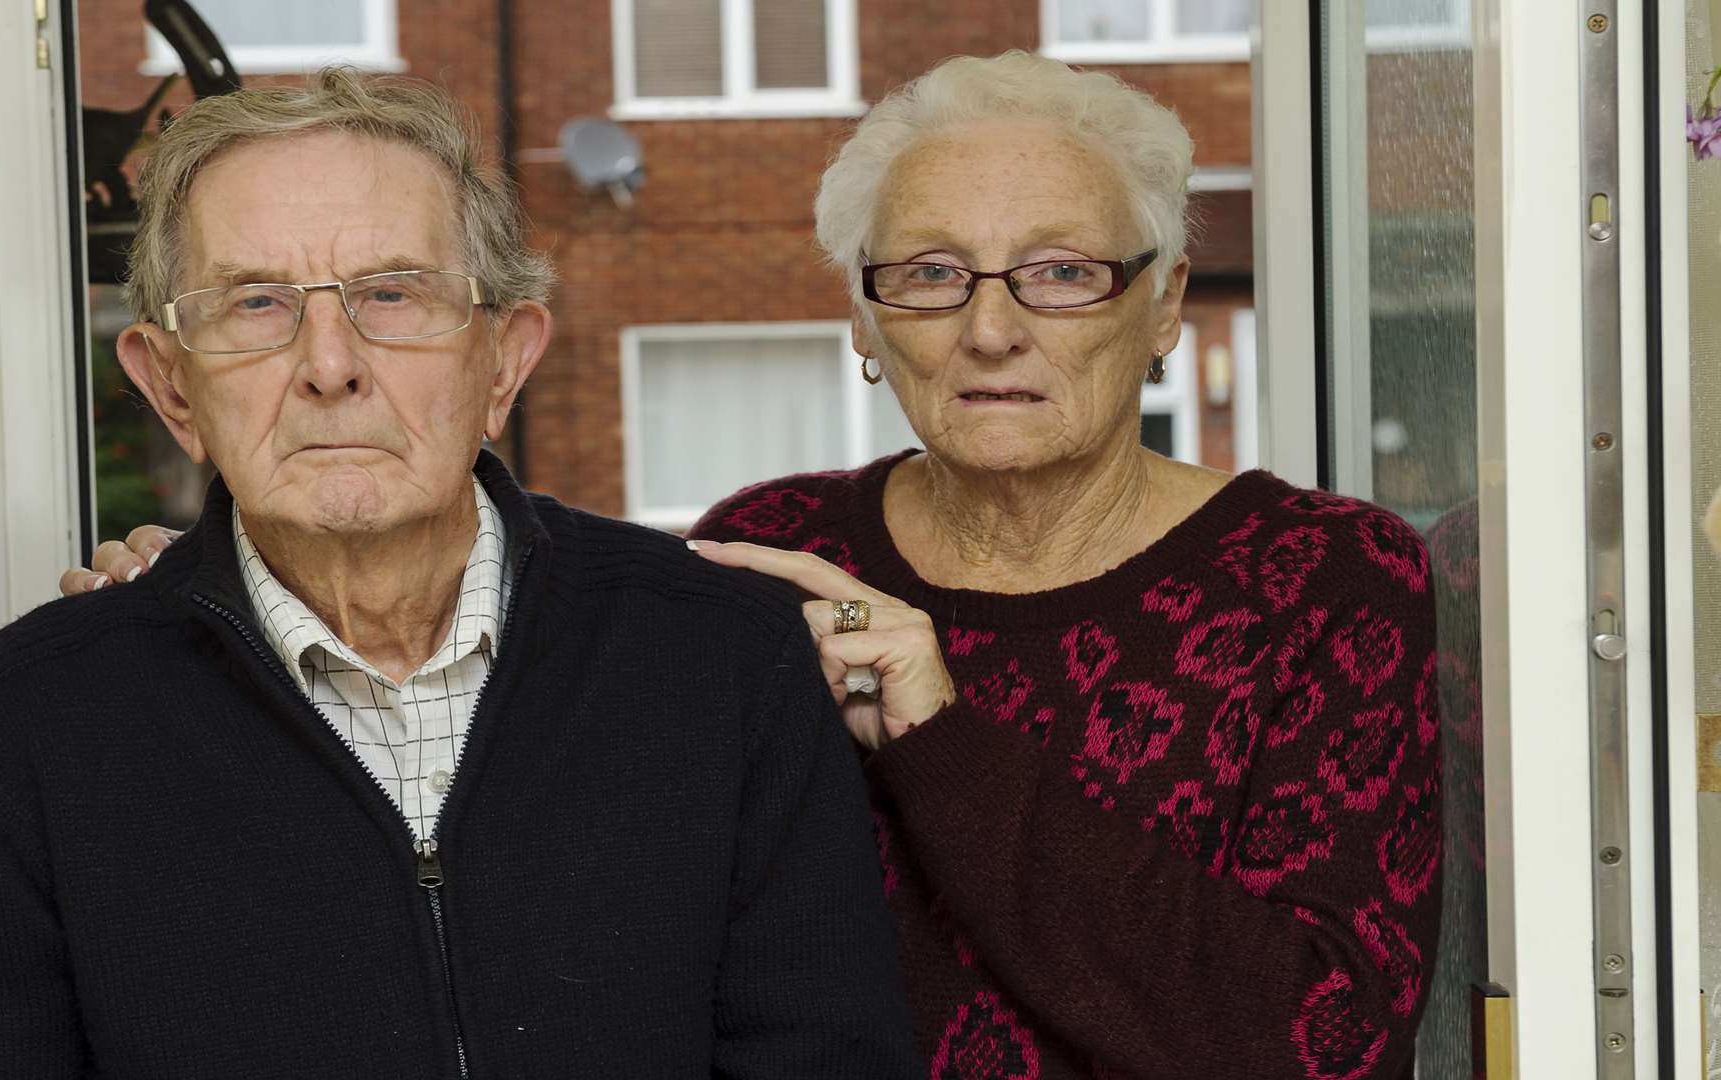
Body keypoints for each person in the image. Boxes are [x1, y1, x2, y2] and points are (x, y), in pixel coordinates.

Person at [74, 52, 1442, 1079]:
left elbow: (1321, 1037)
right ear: (864, 322)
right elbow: (485, 740)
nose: (991, 330)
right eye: (927, 275)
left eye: (1064, 273)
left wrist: (937, 739)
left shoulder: (1327, 579)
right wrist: (222, 618)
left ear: (1163, 308)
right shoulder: (774, 552)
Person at [0, 69, 917, 1079]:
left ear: (503, 361)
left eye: (393, 293)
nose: (330, 364)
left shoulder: (726, 662)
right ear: (173, 390)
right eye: (257, 305)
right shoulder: (12, 730)